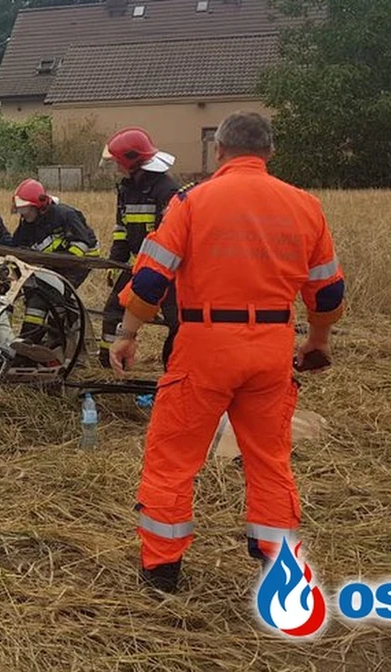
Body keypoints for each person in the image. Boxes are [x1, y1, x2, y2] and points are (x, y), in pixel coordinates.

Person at [109, 111, 345, 593]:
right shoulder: (305, 206)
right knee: (269, 459)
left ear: (219, 152)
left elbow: (152, 279)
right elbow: (328, 294)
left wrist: (127, 331)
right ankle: (277, 563)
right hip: (272, 349)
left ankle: (161, 568)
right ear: (270, 153)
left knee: (173, 459)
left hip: (205, 347)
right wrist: (317, 340)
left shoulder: (191, 202)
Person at [98, 128, 182, 370]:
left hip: (167, 270)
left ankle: (174, 371)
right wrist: (116, 263)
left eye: (117, 162)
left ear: (130, 161)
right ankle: (108, 366)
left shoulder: (165, 189)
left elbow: (170, 237)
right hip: (137, 264)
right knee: (113, 311)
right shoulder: (126, 188)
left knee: (178, 322)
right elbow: (121, 229)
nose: (115, 167)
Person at [11, 178, 100, 346]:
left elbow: (81, 245)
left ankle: (69, 339)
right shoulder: (27, 224)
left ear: (40, 206)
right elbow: (16, 248)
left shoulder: (64, 215)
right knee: (37, 297)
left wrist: (58, 267)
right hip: (55, 265)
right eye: (21, 210)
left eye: (26, 209)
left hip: (80, 263)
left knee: (57, 295)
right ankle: (30, 342)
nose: (23, 214)